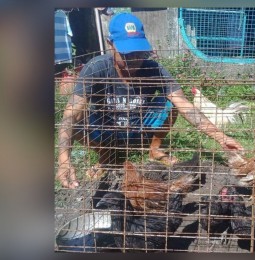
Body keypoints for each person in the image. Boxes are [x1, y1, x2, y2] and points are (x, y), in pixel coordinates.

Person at [57, 13, 244, 189]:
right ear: (110, 44)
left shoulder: (153, 69)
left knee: (172, 103)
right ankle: (106, 154)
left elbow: (185, 105)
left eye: (139, 52)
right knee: (75, 117)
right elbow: (71, 114)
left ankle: (154, 149)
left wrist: (222, 138)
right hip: (107, 127)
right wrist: (64, 159)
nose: (135, 59)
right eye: (127, 54)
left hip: (140, 125)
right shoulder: (96, 68)